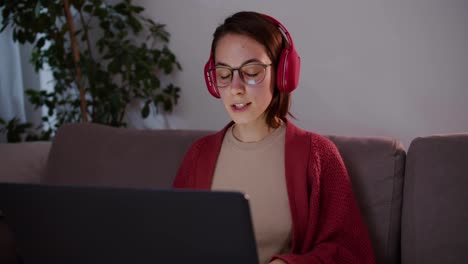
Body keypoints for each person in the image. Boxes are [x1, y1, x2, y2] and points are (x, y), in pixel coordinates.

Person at [173, 11, 375, 264]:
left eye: (252, 71)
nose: (236, 88)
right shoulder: (198, 155)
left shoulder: (318, 154)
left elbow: (352, 253)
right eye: (224, 74)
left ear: (282, 74)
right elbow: (173, 242)